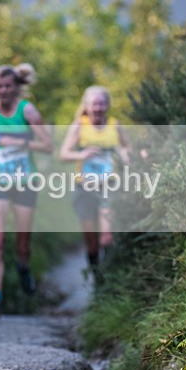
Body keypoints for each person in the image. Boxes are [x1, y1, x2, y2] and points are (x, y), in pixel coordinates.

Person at [0, 64, 52, 318]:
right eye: (0, 87)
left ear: (16, 87)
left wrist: (19, 141)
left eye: (8, 86)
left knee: (22, 242)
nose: (4, 91)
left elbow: (47, 145)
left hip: (24, 183)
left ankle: (23, 265)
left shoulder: (27, 111)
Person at [58, 86, 130, 284]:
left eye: (101, 104)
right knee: (91, 241)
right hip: (84, 188)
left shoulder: (115, 126)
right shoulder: (79, 126)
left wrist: (126, 155)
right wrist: (81, 154)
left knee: (106, 236)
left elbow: (126, 148)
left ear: (107, 105)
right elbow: (63, 154)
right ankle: (96, 273)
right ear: (87, 106)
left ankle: (109, 281)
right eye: (94, 104)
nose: (97, 108)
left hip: (109, 186)